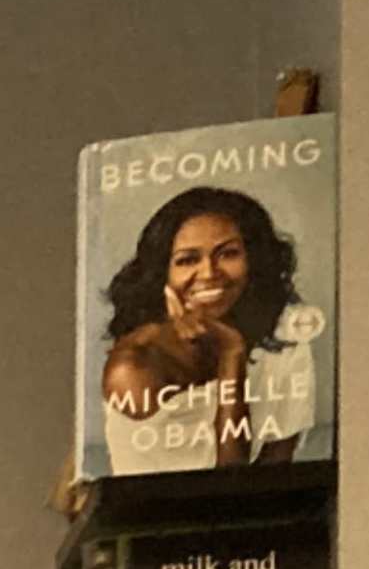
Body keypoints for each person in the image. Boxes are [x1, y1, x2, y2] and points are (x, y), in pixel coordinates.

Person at [99, 184, 314, 470]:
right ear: (162, 272)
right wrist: (231, 354)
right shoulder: (134, 366)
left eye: (228, 254)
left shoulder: (283, 335)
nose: (209, 273)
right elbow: (225, 483)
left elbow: (276, 470)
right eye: (187, 260)